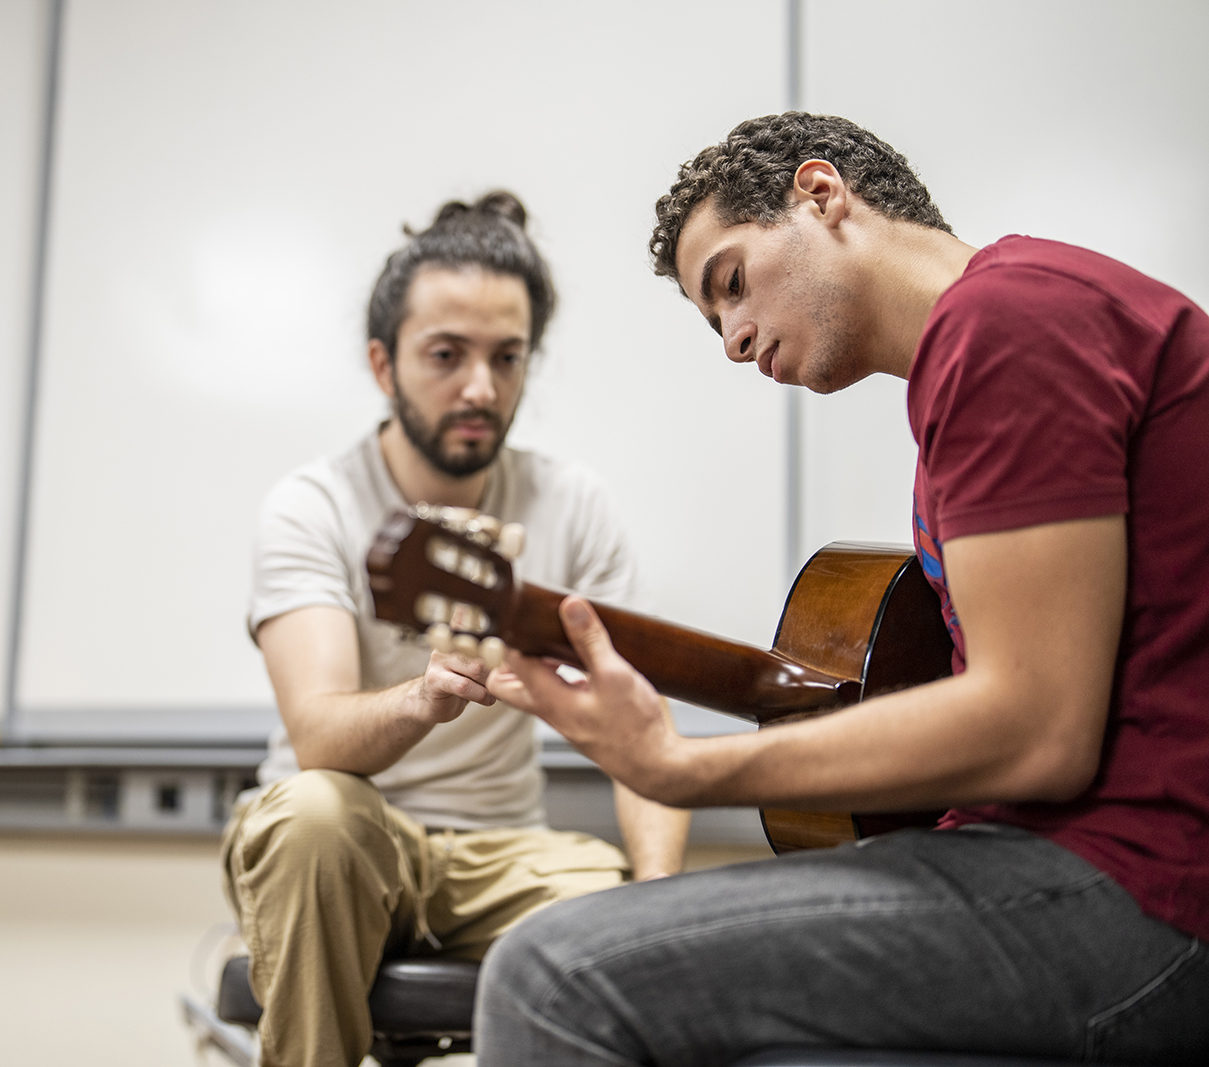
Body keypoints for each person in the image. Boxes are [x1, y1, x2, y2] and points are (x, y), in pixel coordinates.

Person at [475, 114, 1209, 1066]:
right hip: (1081, 864)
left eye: (732, 284)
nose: (735, 342)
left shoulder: (1008, 323)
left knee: (556, 972)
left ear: (821, 196)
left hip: (1141, 885)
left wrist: (682, 769)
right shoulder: (998, 343)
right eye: (714, 327)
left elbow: (1037, 729)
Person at [224, 191, 692, 1067]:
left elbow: (643, 729)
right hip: (339, 840)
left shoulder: (573, 504)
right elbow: (319, 732)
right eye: (447, 355)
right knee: (317, 814)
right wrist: (424, 694)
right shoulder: (313, 506)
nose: (481, 387)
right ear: (382, 364)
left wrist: (659, 897)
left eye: (506, 357)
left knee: (642, 930)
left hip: (499, 850)